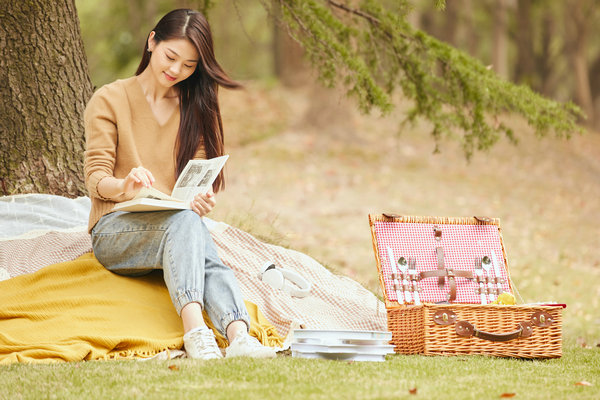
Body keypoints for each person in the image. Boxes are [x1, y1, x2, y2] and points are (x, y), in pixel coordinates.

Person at [83, 8, 276, 360]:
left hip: (175, 222)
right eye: (171, 57)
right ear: (152, 41)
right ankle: (196, 332)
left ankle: (238, 335)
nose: (175, 71)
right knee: (188, 226)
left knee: (190, 223)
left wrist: (201, 198)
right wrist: (125, 186)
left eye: (188, 66)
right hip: (114, 230)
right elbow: (95, 178)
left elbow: (198, 175)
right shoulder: (109, 99)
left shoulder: (192, 106)